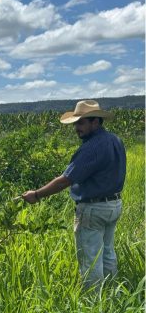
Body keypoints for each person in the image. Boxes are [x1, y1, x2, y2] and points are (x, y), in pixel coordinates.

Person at [22, 100, 126, 288]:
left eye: (81, 123)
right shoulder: (114, 140)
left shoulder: (91, 148)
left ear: (95, 122)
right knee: (107, 252)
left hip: (93, 209)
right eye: (76, 123)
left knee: (90, 259)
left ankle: (93, 306)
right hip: (114, 205)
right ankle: (112, 294)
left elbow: (65, 180)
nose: (77, 127)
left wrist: (36, 194)